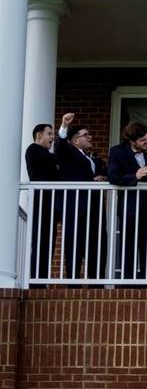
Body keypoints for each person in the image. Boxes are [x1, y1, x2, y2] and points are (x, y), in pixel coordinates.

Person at [56, 113, 108, 279]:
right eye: (86, 135)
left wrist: (102, 178)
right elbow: (61, 145)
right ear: (75, 140)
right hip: (76, 207)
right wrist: (64, 125)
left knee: (97, 244)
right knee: (75, 243)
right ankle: (73, 280)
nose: (90, 137)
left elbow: (104, 172)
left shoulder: (93, 157)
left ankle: (95, 282)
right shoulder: (69, 153)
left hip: (94, 207)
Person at [107, 121, 147, 281]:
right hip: (129, 205)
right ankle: (126, 281)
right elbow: (113, 177)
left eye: (146, 138)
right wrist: (134, 176)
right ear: (132, 141)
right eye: (143, 140)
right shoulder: (117, 152)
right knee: (128, 244)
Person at [24, 122, 60, 284]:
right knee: (40, 240)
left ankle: (41, 279)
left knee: (48, 240)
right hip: (41, 201)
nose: (52, 137)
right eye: (49, 133)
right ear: (39, 135)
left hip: (50, 202)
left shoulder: (46, 154)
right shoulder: (34, 150)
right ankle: (35, 280)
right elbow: (54, 160)